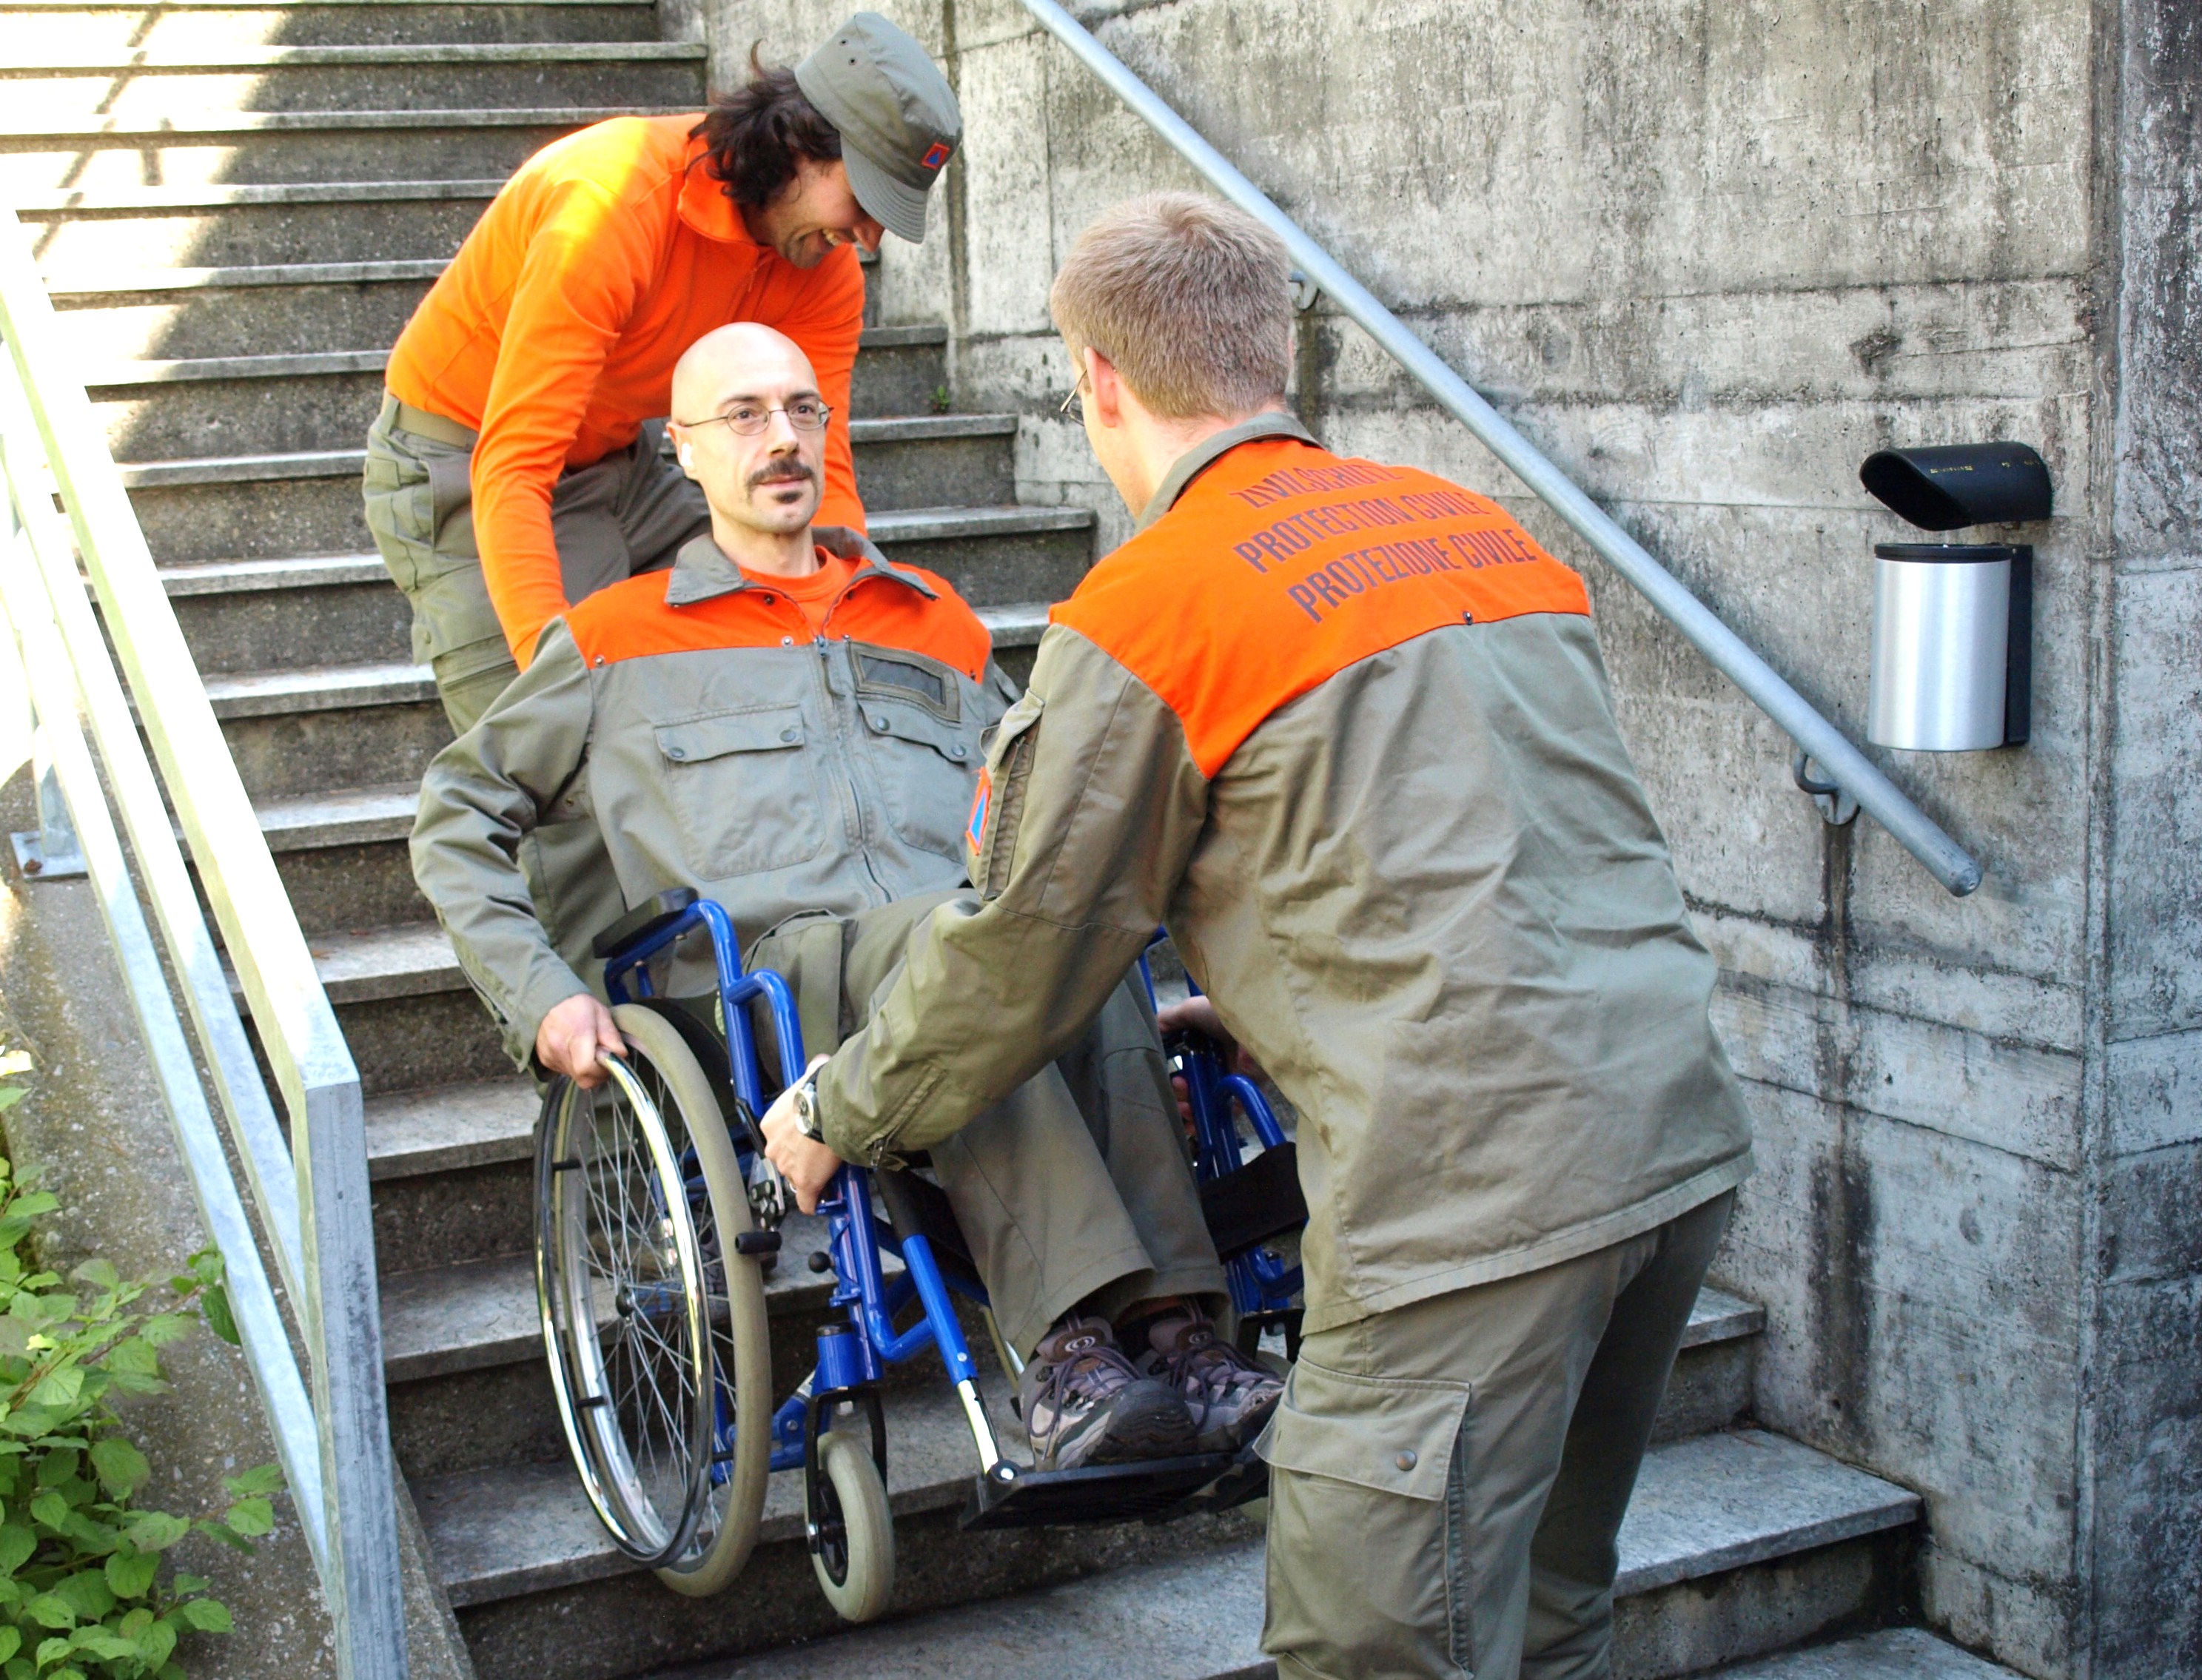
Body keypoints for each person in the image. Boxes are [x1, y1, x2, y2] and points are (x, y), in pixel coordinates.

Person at [759, 194, 1756, 1680]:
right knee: (1547, 1614)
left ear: (1098, 379)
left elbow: (1018, 948)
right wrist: (1260, 995)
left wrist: (837, 1107)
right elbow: (1500, 835)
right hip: (1669, 1139)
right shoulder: (1476, 529)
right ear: (1271, 349)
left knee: (1372, 1645)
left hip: (1466, 1203)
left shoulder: (1153, 609)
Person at [407, 320, 1283, 1475]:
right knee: (970, 951)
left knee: (1063, 927)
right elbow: (455, 817)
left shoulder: (935, 623)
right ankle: (1068, 1353)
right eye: (744, 415)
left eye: (802, 409)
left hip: (959, 952)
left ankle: (1179, 1340)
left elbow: (1060, 824)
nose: (781, 437)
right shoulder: (614, 641)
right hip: (771, 988)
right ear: (683, 451)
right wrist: (542, 996)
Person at [366, 12, 959, 733]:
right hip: (463, 457)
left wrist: (847, 623)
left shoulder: (823, 268)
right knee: (560, 754)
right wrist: (553, 686)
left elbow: (820, 469)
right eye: (865, 198)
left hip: (619, 457)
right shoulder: (611, 202)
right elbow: (514, 464)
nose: (869, 237)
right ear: (798, 143)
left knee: (766, 660)